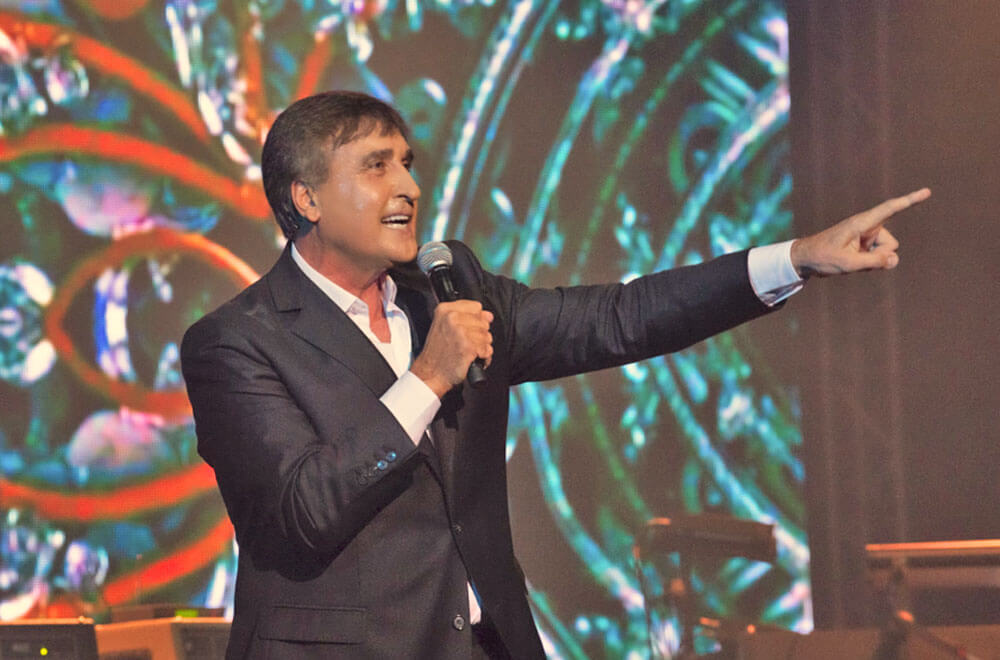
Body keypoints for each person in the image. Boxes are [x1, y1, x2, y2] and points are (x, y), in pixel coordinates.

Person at [180, 90, 929, 659]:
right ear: (306, 197)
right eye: (377, 166)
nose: (407, 185)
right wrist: (427, 380)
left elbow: (621, 317)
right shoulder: (235, 343)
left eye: (407, 163)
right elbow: (301, 510)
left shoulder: (451, 293)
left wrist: (795, 259)